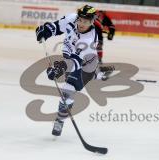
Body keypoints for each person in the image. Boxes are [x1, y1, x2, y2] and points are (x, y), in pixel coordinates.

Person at [35, 5, 114, 136]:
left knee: (68, 89)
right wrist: (45, 32)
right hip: (69, 59)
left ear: (92, 21)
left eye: (86, 21)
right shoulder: (72, 18)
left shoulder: (88, 39)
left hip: (85, 64)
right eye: (80, 20)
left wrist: (58, 69)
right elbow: (57, 27)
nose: (82, 24)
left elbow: (75, 62)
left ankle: (59, 121)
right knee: (70, 82)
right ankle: (98, 74)